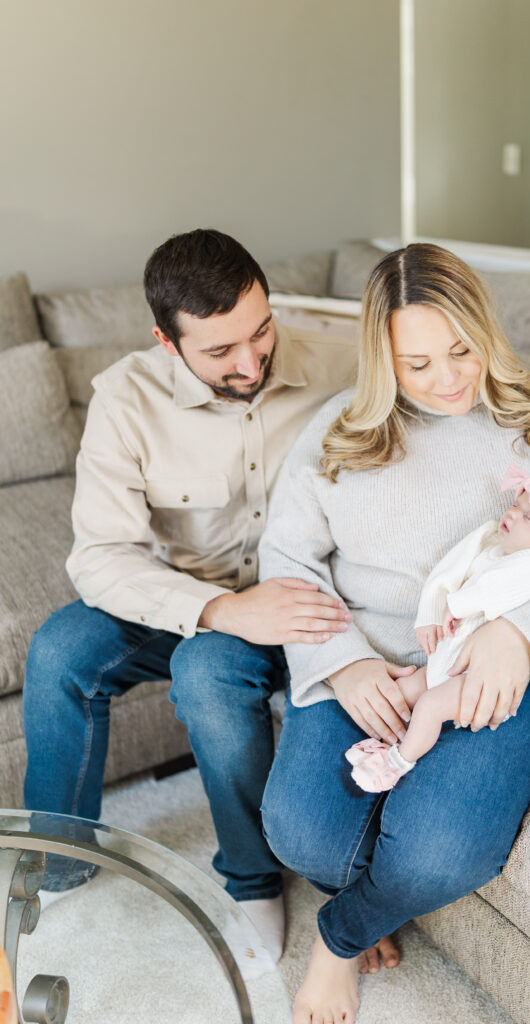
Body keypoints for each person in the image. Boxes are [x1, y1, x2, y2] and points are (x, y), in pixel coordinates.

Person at [257, 243, 530, 1024]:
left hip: (506, 659)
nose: (447, 378)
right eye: (418, 362)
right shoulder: (336, 434)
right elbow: (287, 558)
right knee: (301, 837)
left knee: (440, 851)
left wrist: (521, 631)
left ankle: (339, 940)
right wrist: (344, 667)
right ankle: (369, 899)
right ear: (380, 357)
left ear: (485, 331)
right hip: (372, 656)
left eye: (462, 349)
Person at [21, 228, 359, 965]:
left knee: (209, 672)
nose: (249, 362)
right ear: (165, 342)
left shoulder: (346, 362)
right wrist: (218, 611)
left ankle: (252, 882)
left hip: (310, 604)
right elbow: (100, 555)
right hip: (195, 603)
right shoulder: (124, 398)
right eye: (219, 351)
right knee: (59, 650)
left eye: (260, 331)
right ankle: (58, 860)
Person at [346, 466, 530, 791]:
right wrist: (432, 613)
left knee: (429, 706)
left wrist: (458, 605)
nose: (513, 514)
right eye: (517, 505)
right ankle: (381, 744)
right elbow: (446, 573)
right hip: (447, 659)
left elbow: (502, 589)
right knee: (404, 692)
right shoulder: (491, 543)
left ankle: (396, 763)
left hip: (480, 675)